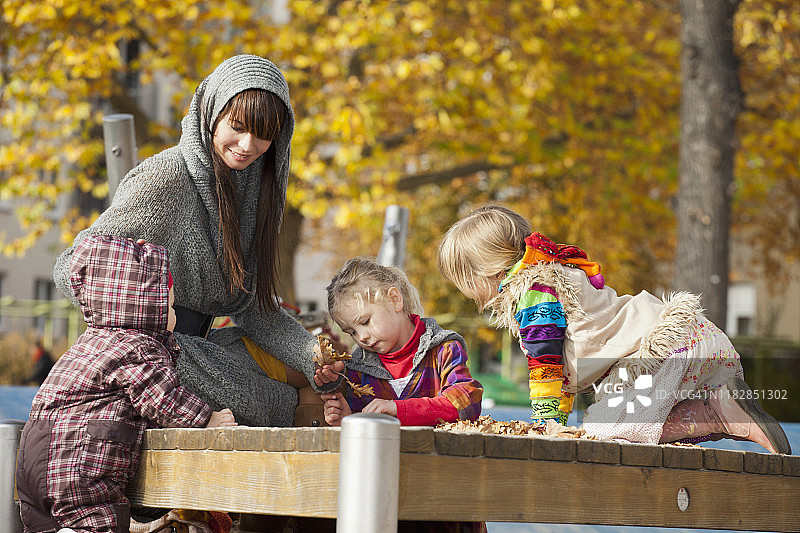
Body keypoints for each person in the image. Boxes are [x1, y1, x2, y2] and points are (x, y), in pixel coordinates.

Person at [52, 55, 343, 428]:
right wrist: (145, 321)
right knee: (265, 398)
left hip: (203, 348)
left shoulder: (257, 190)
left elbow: (254, 311)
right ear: (211, 112)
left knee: (311, 375)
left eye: (263, 135)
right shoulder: (166, 177)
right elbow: (71, 265)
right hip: (146, 357)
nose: (248, 144)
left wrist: (312, 358)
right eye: (237, 127)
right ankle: (301, 409)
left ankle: (308, 400)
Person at [436, 205, 791, 454]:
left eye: (461, 281)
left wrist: (545, 426)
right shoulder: (556, 271)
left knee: (605, 434)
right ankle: (725, 412)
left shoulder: (532, 292)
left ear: (480, 274)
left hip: (662, 352)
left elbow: (546, 367)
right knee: (633, 423)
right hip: (691, 338)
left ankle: (717, 411)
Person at [16, 235, 238, 533]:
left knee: (51, 524)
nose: (173, 315)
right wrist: (207, 419)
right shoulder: (136, 347)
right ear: (145, 307)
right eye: (170, 307)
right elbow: (163, 398)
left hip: (36, 457)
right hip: (79, 467)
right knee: (94, 521)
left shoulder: (88, 343)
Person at [321, 257, 485, 533]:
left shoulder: (443, 349)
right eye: (351, 331)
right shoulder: (358, 371)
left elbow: (466, 400)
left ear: (395, 300)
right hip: (385, 504)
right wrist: (347, 418)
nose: (361, 336)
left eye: (365, 321)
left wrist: (400, 411)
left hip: (444, 498)